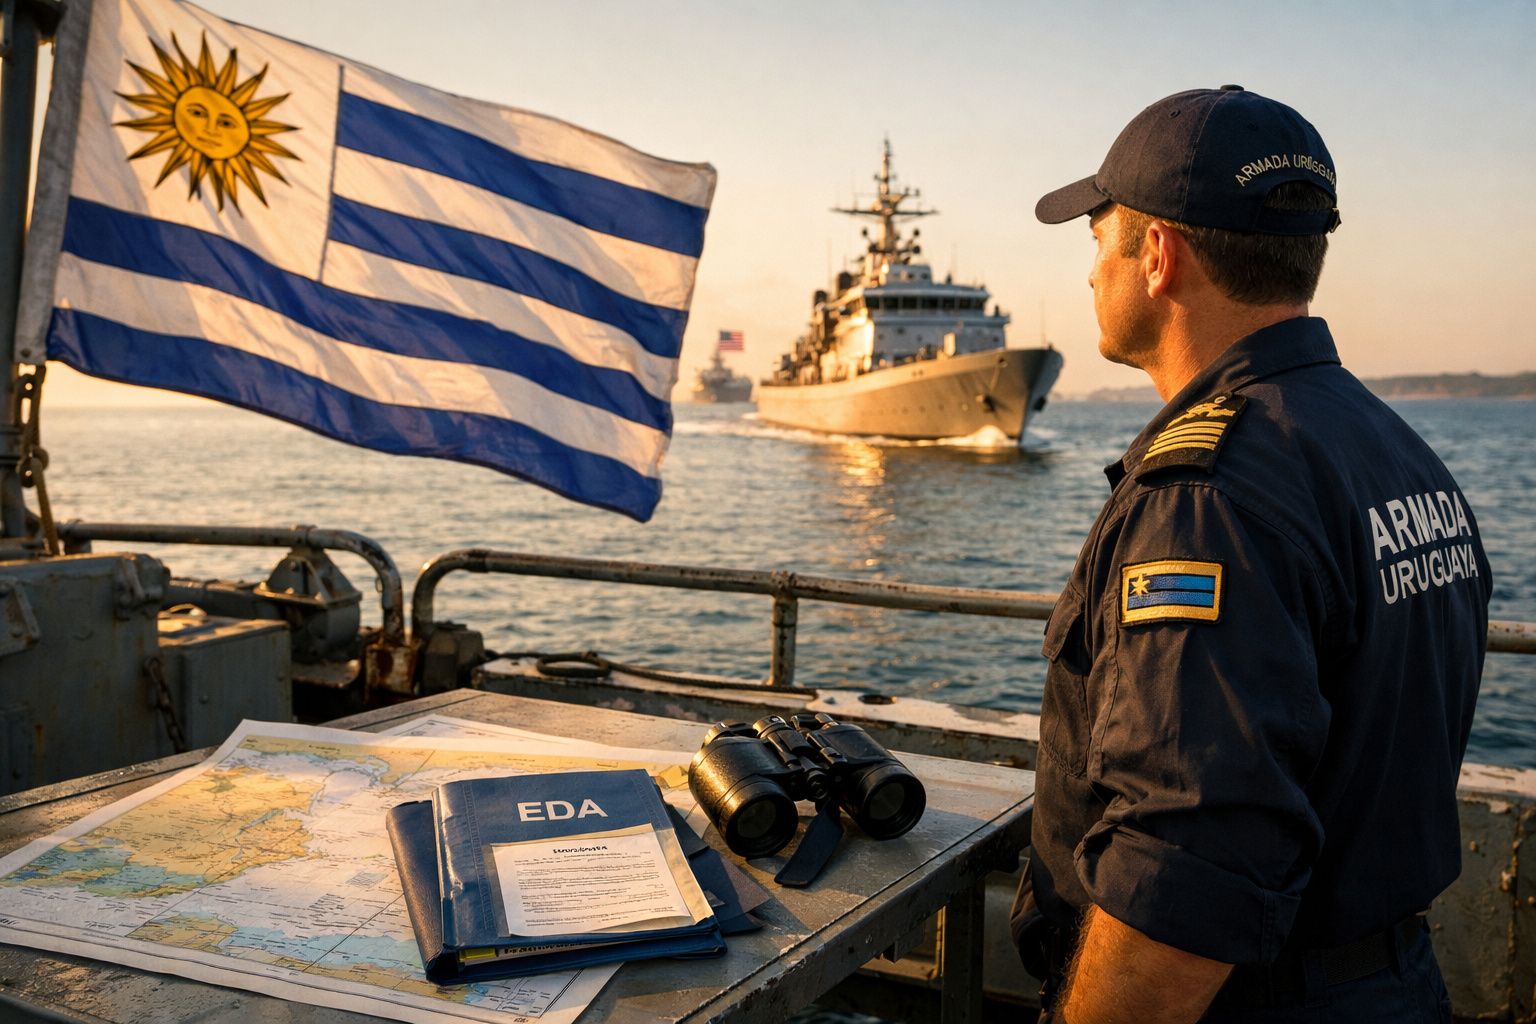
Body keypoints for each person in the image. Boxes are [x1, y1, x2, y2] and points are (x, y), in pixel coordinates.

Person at [1010, 86, 1492, 1023]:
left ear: (1157, 255)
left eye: (1098, 242)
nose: (1091, 276)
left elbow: (1184, 878)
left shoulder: (1208, 498)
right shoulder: (1390, 449)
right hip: (1393, 984)